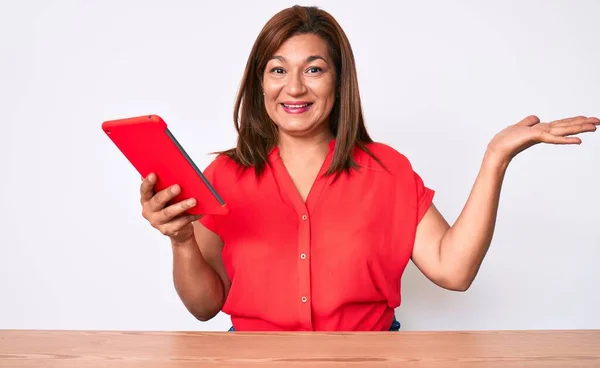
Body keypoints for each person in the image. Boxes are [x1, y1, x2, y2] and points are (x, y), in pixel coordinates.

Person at [139, 5, 598, 331]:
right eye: (278, 70)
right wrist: (181, 241)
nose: (294, 86)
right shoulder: (223, 175)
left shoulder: (387, 170)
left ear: (339, 82)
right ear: (260, 81)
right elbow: (204, 307)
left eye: (314, 69)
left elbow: (452, 271)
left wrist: (496, 156)